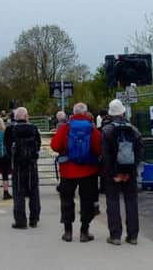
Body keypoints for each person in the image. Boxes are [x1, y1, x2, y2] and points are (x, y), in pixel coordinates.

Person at [51, 102, 102, 242]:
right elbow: (98, 149)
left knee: (67, 200)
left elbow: (55, 145)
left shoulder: (66, 127)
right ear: (86, 113)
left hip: (67, 170)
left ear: (72, 113)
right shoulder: (92, 129)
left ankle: (68, 232)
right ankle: (84, 232)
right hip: (88, 171)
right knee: (87, 200)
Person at [102, 99, 144, 246]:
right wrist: (131, 170)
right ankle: (133, 236)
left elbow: (106, 156)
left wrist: (114, 173)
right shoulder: (133, 129)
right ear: (123, 112)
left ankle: (115, 236)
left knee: (113, 202)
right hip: (130, 172)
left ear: (110, 113)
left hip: (113, 173)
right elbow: (139, 153)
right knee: (131, 202)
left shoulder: (107, 131)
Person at [5, 107, 41, 229]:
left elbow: (7, 147)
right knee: (33, 191)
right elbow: (38, 145)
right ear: (26, 116)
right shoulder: (33, 128)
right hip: (31, 164)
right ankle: (34, 219)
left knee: (18, 193)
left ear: (15, 117)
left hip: (18, 165)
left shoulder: (10, 129)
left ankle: (20, 220)